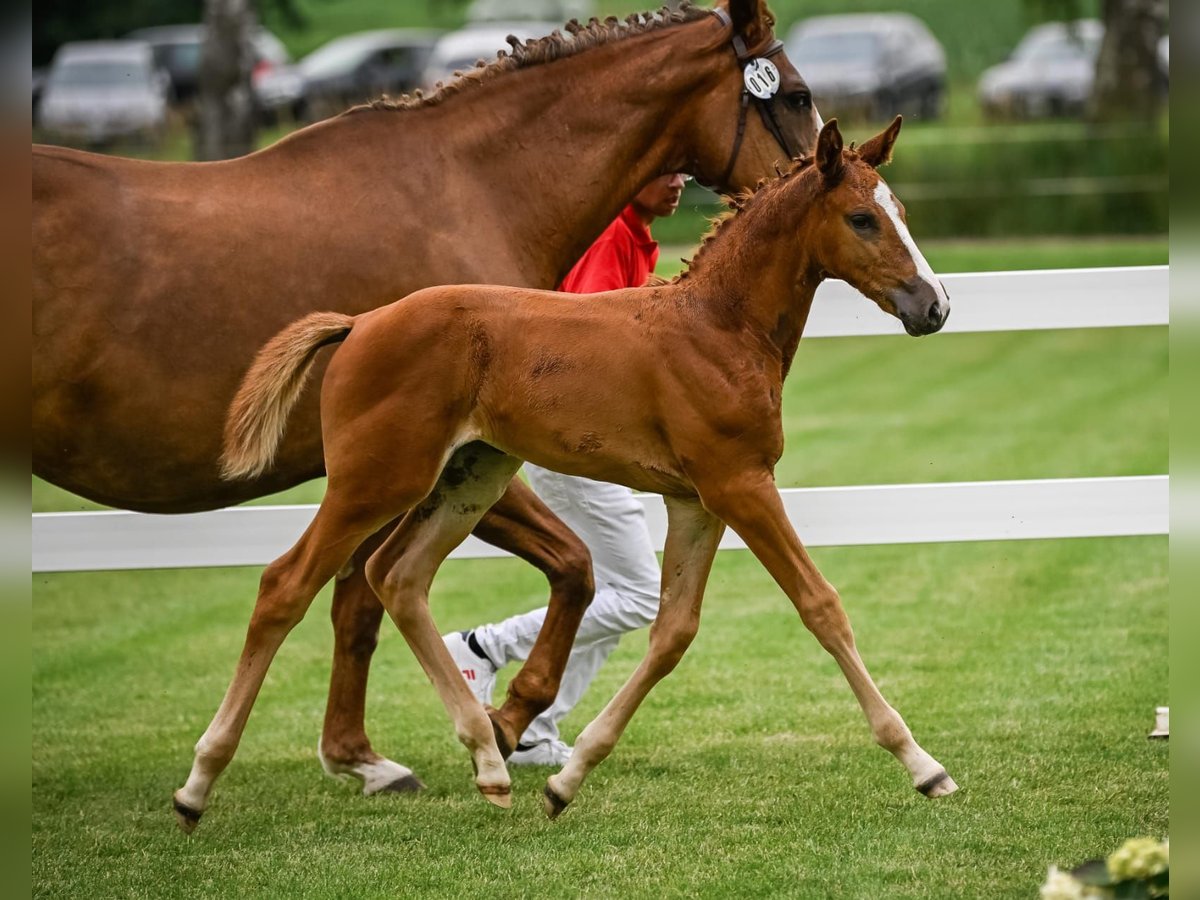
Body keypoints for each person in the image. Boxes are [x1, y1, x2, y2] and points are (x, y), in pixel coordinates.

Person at [444, 172, 688, 766]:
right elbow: (588, 343)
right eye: (666, 171)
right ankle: (482, 647)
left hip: (592, 443)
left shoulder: (633, 237)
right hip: (580, 443)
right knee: (634, 597)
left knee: (609, 593)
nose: (679, 182)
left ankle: (534, 729)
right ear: (632, 177)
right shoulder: (611, 240)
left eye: (684, 172)